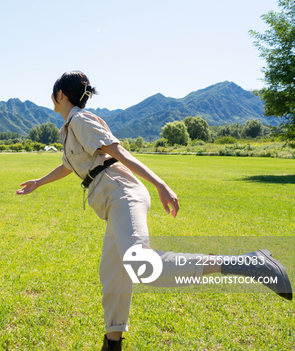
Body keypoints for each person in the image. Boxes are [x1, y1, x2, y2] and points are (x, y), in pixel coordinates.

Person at [16, 71, 291, 351]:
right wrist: (39, 182)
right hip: (112, 201)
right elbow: (68, 165)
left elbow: (120, 154)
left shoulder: (81, 119)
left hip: (122, 194)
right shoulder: (72, 126)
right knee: (113, 273)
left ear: (60, 94)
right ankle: (113, 343)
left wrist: (160, 183)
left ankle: (249, 263)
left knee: (142, 265)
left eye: (53, 93)